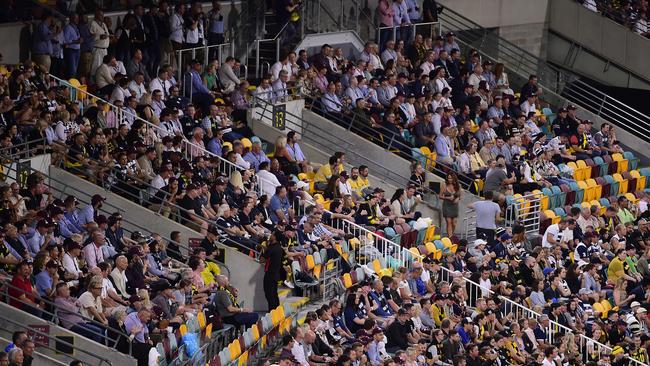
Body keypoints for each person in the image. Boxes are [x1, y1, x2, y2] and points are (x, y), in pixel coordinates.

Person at [439, 173, 461, 238]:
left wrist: (458, 198)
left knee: (454, 223)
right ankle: (450, 237)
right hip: (446, 205)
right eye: (448, 178)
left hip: (454, 206)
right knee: (449, 222)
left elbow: (460, 196)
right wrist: (447, 198)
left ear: (454, 178)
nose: (450, 179)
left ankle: (451, 234)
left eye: (451, 178)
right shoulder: (444, 185)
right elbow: (440, 196)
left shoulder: (458, 185)